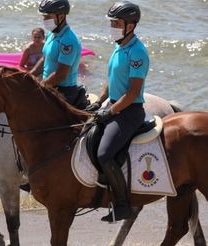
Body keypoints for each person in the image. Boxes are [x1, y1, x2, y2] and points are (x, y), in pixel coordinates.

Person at [90, 1, 149, 222]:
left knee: (104, 154)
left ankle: (123, 206)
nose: (112, 26)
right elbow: (111, 80)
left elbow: (133, 92)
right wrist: (99, 102)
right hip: (114, 105)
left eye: (117, 22)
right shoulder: (119, 46)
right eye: (112, 22)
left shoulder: (137, 52)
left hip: (129, 112)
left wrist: (111, 112)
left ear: (130, 26)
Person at [31, 0, 88, 109]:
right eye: (44, 17)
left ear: (61, 16)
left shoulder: (68, 40)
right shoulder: (51, 34)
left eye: (48, 17)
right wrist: (29, 75)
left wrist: (41, 86)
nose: (45, 20)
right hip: (49, 85)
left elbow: (61, 74)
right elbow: (44, 59)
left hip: (64, 91)